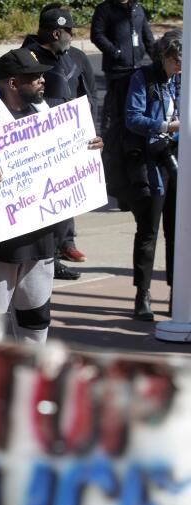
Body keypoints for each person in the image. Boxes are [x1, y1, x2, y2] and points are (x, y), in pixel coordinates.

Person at [0, 48, 104, 343]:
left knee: (36, 321)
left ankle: (30, 386)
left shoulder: (50, 118)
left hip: (39, 243)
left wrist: (87, 149)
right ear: (13, 83)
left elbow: (65, 160)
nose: (43, 80)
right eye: (34, 76)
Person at [23, 4, 99, 279]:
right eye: (69, 31)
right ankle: (48, 257)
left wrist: (92, 133)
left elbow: (90, 99)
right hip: (39, 147)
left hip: (72, 143)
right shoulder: (26, 57)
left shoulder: (77, 57)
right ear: (56, 32)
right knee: (44, 200)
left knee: (67, 197)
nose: (72, 35)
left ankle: (65, 244)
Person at [124, 31, 181, 321]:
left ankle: (177, 292)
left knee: (178, 232)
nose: (180, 67)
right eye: (175, 61)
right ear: (164, 56)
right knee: (148, 230)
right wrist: (163, 126)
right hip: (151, 162)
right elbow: (132, 117)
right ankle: (142, 294)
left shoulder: (183, 79)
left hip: (178, 158)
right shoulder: (143, 78)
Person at [91, 0, 153, 134]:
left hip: (137, 68)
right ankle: (110, 141)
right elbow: (96, 35)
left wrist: (158, 59)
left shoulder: (137, 8)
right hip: (116, 70)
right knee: (115, 110)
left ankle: (132, 142)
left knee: (135, 108)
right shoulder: (104, 8)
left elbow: (147, 36)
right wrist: (115, 52)